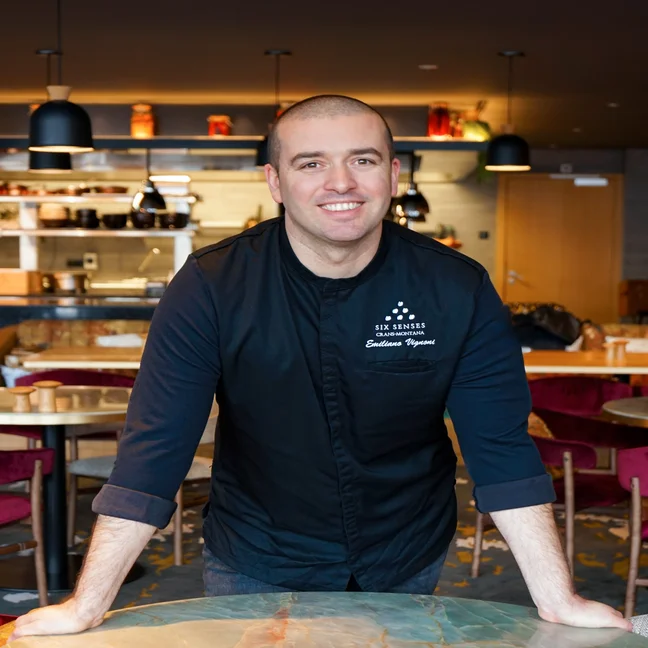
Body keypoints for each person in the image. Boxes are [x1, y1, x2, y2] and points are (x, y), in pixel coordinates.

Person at [10, 95, 631, 640]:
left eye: (362, 160)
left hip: (406, 543)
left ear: (392, 175)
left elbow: (500, 449)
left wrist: (558, 599)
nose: (342, 182)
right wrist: (85, 605)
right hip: (258, 548)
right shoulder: (211, 284)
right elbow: (155, 450)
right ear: (275, 182)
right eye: (311, 163)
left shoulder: (456, 286)